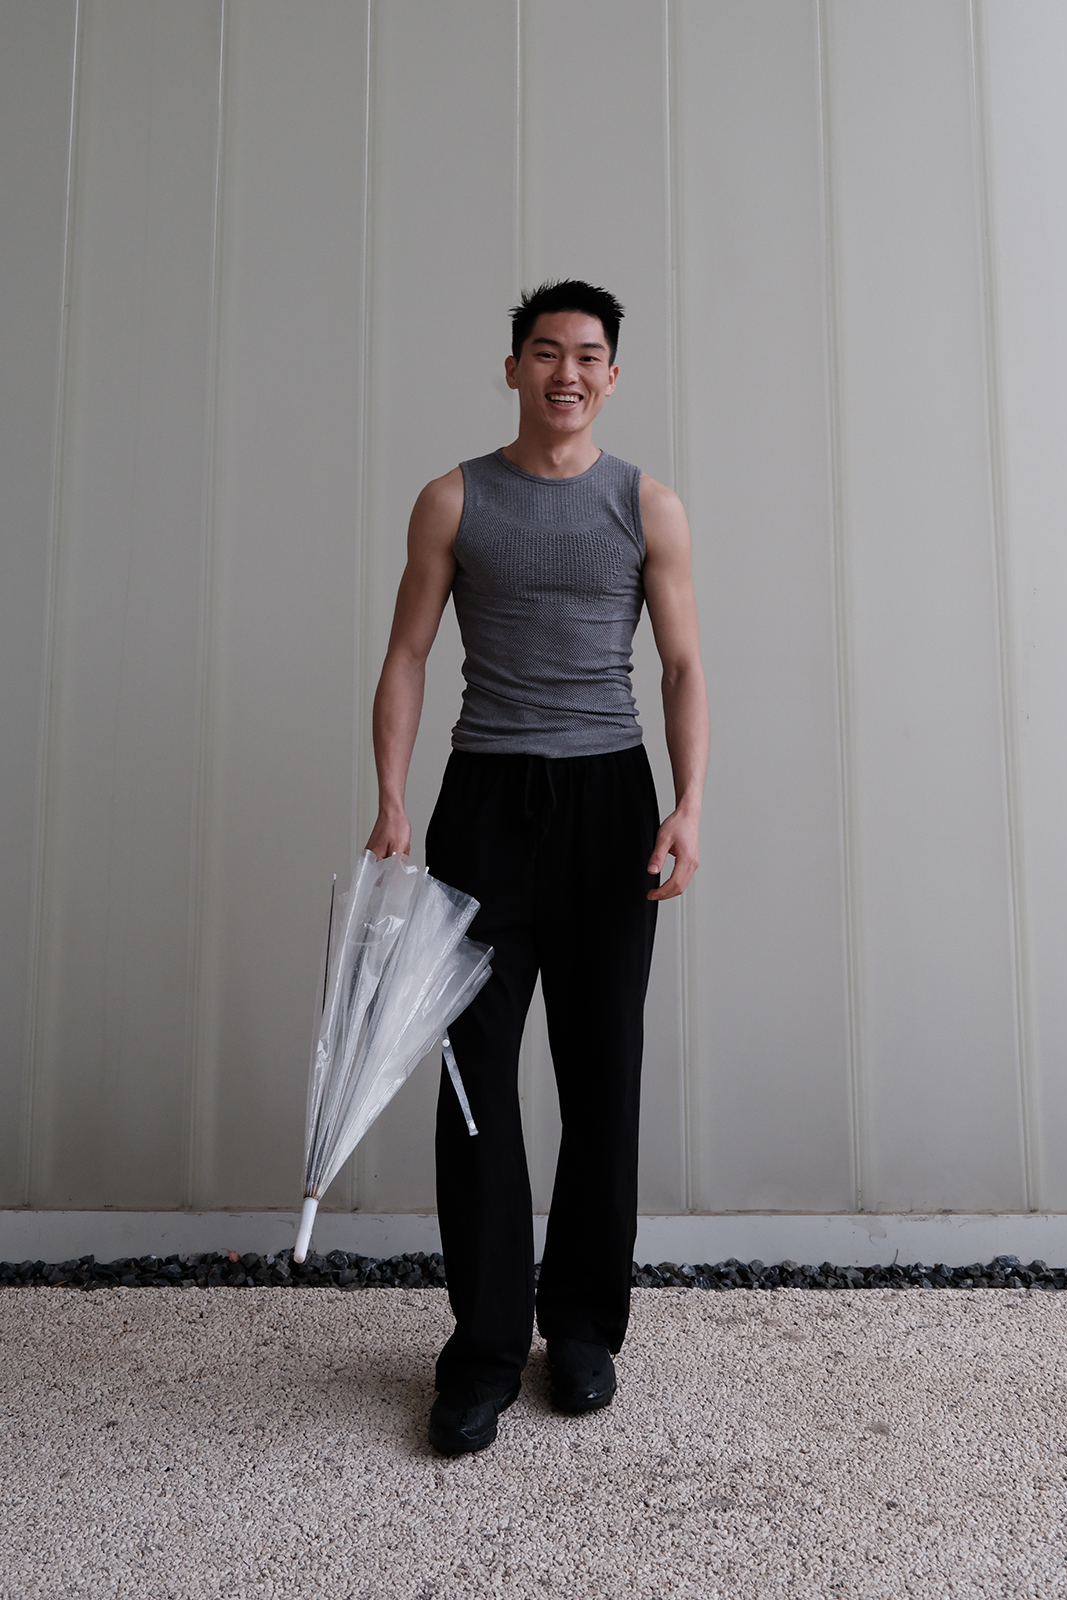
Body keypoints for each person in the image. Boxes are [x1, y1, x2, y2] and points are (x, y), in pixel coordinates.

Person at [366, 279, 709, 1456]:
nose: (568, 373)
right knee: (474, 1082)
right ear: (513, 367)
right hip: (486, 805)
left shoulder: (646, 503)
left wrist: (688, 805)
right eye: (547, 352)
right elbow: (408, 651)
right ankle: (482, 1347)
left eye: (589, 355)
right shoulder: (454, 499)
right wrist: (392, 800)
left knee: (603, 1073)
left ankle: (582, 1329)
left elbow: (681, 667)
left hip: (611, 803)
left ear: (612, 375)